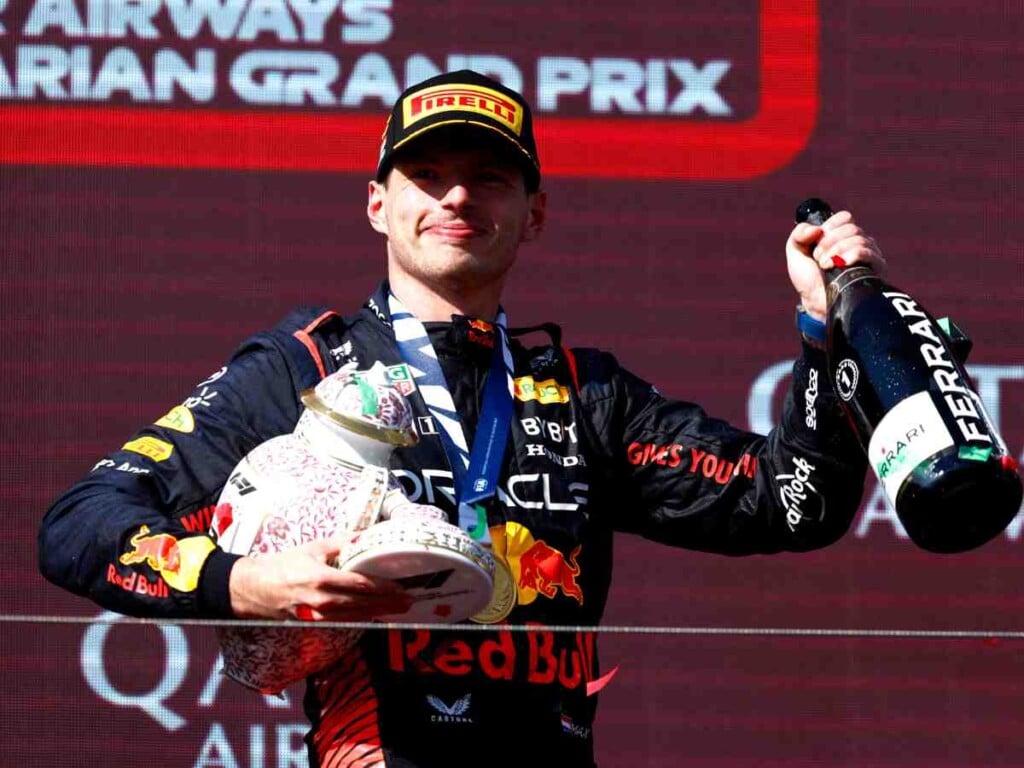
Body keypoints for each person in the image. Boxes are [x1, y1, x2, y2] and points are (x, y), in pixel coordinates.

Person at [39, 70, 884, 768]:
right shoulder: (306, 368)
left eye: (488, 178)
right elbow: (80, 525)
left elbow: (790, 503)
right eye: (427, 175)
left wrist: (823, 331)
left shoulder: (587, 392)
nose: (456, 197)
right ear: (378, 205)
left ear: (534, 213)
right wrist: (244, 583)